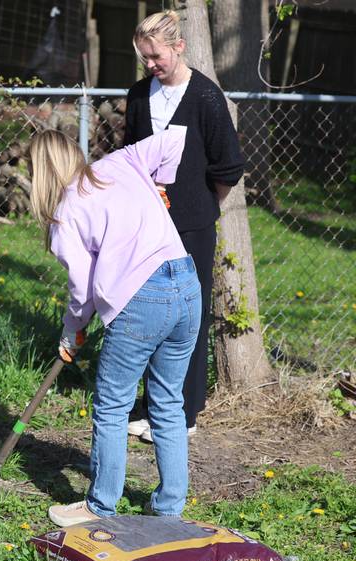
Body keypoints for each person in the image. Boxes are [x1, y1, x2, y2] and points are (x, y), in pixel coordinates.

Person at [28, 127, 201, 525]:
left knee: (112, 407)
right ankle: (169, 507)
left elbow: (81, 289)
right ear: (73, 154)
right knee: (169, 401)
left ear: (40, 173)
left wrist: (72, 331)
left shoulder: (66, 210)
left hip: (141, 301)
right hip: (187, 285)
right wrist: (159, 183)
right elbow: (174, 137)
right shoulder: (122, 162)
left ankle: (101, 505)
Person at [124, 10, 245, 443]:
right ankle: (150, 406)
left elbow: (228, 168)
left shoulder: (207, 98)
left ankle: (185, 412)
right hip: (146, 226)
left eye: (156, 56)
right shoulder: (139, 96)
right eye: (145, 58)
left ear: (179, 47)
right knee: (148, 313)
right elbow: (129, 157)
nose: (151, 65)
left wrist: (201, 208)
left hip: (192, 228)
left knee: (186, 319)